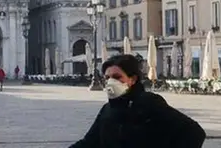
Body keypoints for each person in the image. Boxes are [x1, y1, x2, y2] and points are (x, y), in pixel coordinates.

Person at [70, 54, 206, 148]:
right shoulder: (107, 110)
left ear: (132, 79)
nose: (111, 82)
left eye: (117, 77)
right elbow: (89, 143)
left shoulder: (149, 102)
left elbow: (194, 132)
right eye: (107, 78)